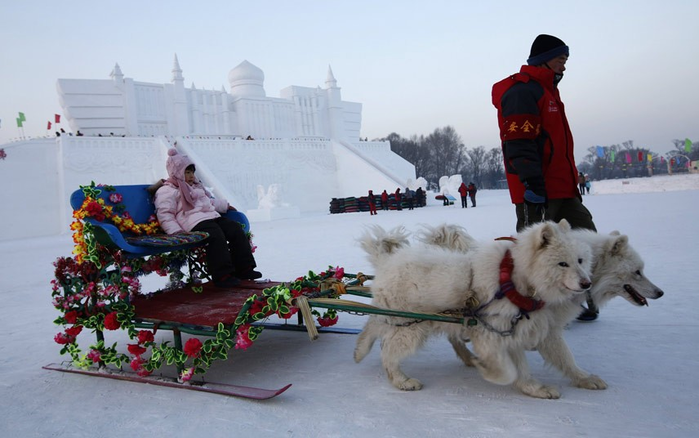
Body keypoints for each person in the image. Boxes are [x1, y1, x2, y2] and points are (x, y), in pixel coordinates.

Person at [492, 34, 599, 321]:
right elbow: (519, 141)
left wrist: (573, 177)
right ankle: (530, 307)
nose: (564, 66)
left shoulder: (549, 91)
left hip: (564, 188)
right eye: (560, 59)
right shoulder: (523, 91)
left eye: (565, 60)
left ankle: (576, 302)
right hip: (538, 189)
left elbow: (557, 145)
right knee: (535, 255)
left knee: (585, 241)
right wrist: (531, 182)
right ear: (543, 59)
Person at [154, 148, 261, 288]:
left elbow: (209, 202)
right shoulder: (168, 190)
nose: (191, 176)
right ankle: (222, 275)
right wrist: (176, 231)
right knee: (215, 234)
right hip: (191, 222)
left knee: (234, 228)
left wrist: (225, 206)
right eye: (187, 172)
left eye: (192, 172)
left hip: (210, 217)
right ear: (176, 172)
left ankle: (244, 268)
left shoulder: (196, 187)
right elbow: (165, 213)